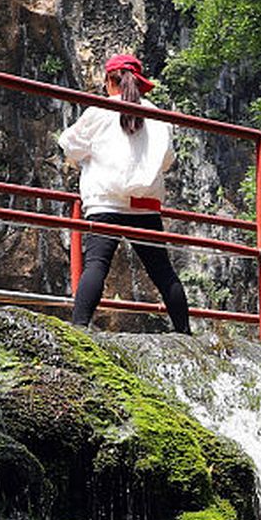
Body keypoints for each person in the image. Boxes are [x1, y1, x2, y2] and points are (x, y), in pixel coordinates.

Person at [58, 53, 190, 334]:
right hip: (145, 206)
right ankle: (185, 333)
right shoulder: (158, 117)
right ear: (140, 84)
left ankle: (79, 328)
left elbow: (70, 145)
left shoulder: (100, 110)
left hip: (106, 201)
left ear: (109, 80)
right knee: (163, 273)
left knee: (96, 264)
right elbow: (166, 161)